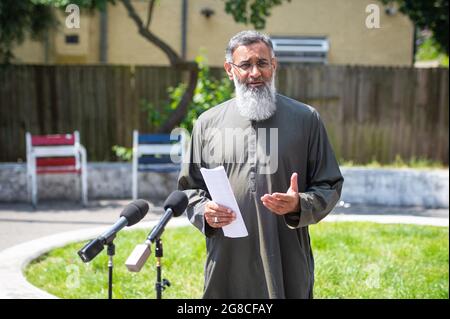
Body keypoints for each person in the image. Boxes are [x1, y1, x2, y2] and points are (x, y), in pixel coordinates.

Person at [178, 30, 344, 299]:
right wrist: (204, 211)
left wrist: (300, 203)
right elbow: (188, 189)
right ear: (230, 70)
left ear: (274, 66)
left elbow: (330, 184)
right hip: (227, 260)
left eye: (262, 63)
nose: (255, 72)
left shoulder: (306, 119)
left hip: (286, 255)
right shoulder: (207, 123)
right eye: (245, 65)